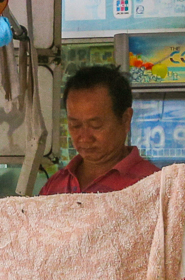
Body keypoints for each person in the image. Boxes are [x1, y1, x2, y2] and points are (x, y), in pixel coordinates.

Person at [40, 65, 161, 195]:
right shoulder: (55, 186)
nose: (84, 138)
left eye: (96, 125)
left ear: (125, 119)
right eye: (75, 125)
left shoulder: (152, 185)